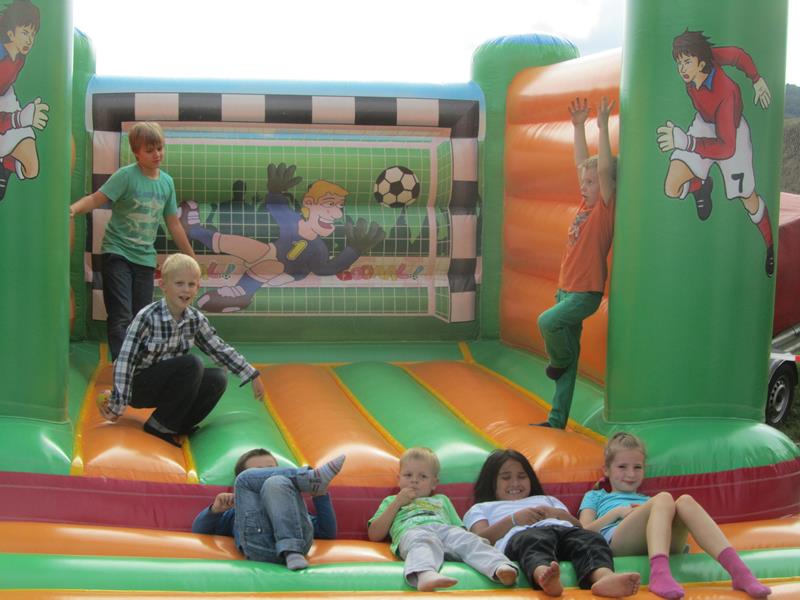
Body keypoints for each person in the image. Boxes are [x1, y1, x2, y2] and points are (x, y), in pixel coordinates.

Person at [578, 432, 771, 599]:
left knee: (685, 501)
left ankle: (740, 572)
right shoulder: (596, 496)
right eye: (622, 467)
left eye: (637, 467)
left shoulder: (648, 500)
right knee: (664, 498)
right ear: (606, 469)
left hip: (661, 541)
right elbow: (583, 531)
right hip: (617, 542)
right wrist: (617, 513)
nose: (631, 474)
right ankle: (659, 574)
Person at [98, 253, 263, 446]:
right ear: (164, 286)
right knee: (192, 363)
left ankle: (176, 425)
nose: (186, 290)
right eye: (179, 283)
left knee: (217, 378)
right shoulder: (147, 317)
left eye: (191, 284)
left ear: (198, 288)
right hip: (140, 387)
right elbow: (125, 360)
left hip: (169, 386)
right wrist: (117, 404)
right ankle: (159, 426)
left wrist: (251, 374)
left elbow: (219, 349)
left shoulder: (195, 319)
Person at [178, 162, 384, 313]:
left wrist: (353, 250)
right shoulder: (292, 221)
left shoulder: (318, 249)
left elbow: (325, 269)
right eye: (330, 205)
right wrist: (275, 190)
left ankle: (242, 293)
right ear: (309, 204)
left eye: (340, 207)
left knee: (273, 265)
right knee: (252, 247)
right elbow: (276, 207)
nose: (337, 213)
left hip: (289, 273)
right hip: (272, 253)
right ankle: (194, 231)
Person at [70, 122, 195, 361]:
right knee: (121, 314)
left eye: (160, 148)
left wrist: (190, 256)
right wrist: (73, 209)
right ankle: (122, 367)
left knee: (141, 316)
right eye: (149, 150)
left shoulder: (166, 182)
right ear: (136, 152)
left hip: (144, 259)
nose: (157, 154)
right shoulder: (126, 176)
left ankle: (139, 365)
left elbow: (173, 223)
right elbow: (96, 199)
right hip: (117, 253)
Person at [655, 30, 774, 276]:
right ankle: (701, 186)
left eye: (687, 62)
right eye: (679, 62)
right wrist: (755, 78)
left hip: (733, 134)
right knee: (671, 187)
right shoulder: (703, 58)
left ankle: (770, 246)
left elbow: (726, 147)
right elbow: (737, 55)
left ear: (700, 62)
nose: (682, 68)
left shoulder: (725, 92)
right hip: (704, 123)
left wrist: (687, 142)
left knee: (748, 198)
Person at [536, 97, 616, 429]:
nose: (584, 186)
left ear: (606, 185)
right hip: (565, 289)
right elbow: (582, 163)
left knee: (547, 323)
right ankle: (556, 420)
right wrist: (579, 126)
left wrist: (602, 127)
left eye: (590, 182)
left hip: (585, 292)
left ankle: (560, 359)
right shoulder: (585, 205)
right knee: (568, 369)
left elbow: (604, 170)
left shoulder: (604, 209)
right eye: (583, 182)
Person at [463, 449, 640, 598]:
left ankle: (604, 577)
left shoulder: (547, 499)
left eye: (522, 476)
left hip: (562, 530)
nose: (515, 483)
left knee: (590, 538)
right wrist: (514, 520)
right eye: (506, 477)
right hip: (522, 535)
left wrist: (557, 513)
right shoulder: (482, 508)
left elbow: (578, 527)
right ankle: (544, 576)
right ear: (491, 481)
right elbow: (479, 540)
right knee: (533, 541)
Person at [367, 447, 519, 592]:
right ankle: (425, 574)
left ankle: (499, 567)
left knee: (468, 539)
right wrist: (397, 503)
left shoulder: (442, 500)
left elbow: (459, 527)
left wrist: (464, 540)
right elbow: (374, 534)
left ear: (434, 483)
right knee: (424, 541)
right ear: (399, 479)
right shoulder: (391, 501)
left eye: (423, 476)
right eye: (408, 475)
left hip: (445, 531)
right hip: (413, 531)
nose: (414, 480)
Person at [192, 448, 344, 570]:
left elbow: (326, 532)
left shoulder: (290, 507)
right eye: (258, 472)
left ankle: (291, 550)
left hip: (300, 547)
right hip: (260, 547)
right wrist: (215, 510)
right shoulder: (237, 512)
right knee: (246, 478)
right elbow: (199, 530)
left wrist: (320, 495)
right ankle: (308, 479)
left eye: (270, 469)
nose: (265, 475)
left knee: (275, 482)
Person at [0, 0, 48, 200]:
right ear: (11, 34)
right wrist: (18, 119)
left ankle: (4, 165)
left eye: (33, 34)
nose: (29, 40)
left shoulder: (19, 56)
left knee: (32, 168)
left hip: (6, 96)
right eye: (25, 32)